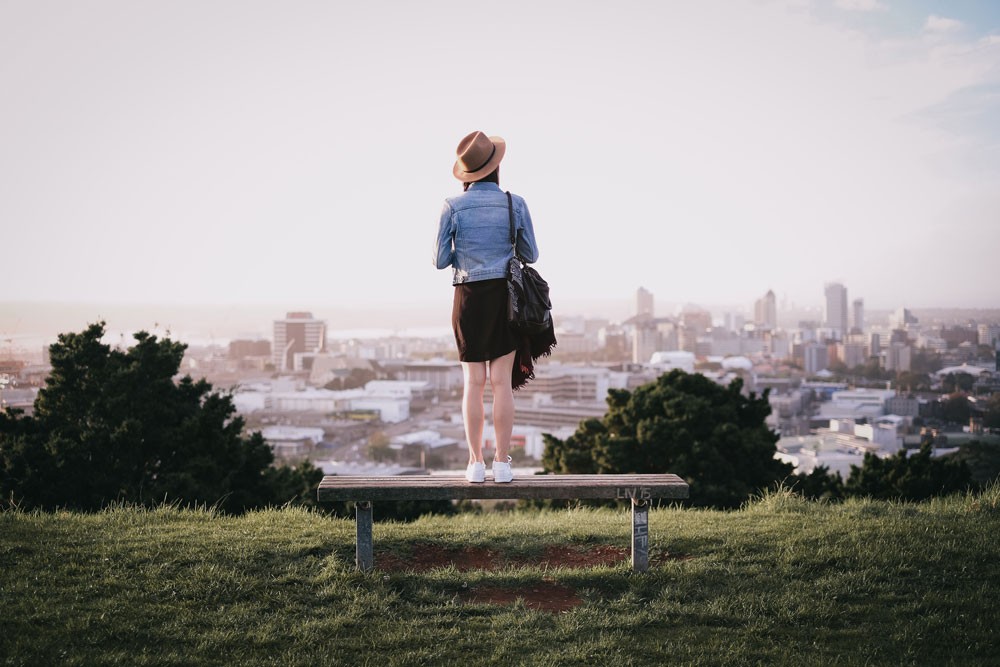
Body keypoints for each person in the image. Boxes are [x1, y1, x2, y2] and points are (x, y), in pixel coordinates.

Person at [433, 130, 541, 484]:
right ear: (496, 168)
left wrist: (464, 253)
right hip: (503, 298)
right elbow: (531, 255)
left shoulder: (452, 206)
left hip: (467, 298)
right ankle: (503, 463)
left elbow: (439, 260)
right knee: (501, 383)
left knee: (473, 383)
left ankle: (475, 463)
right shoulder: (515, 203)